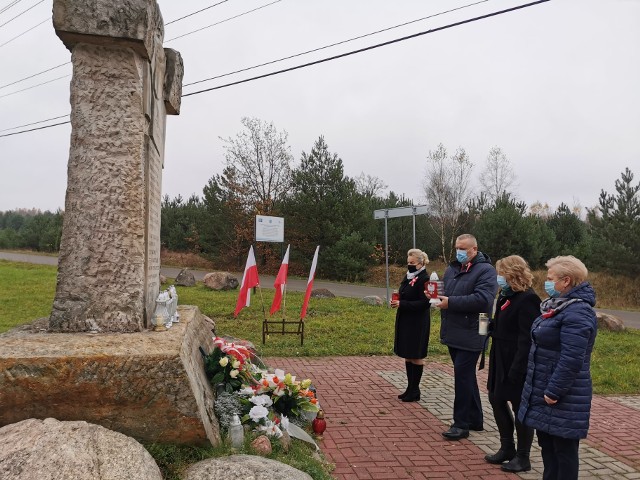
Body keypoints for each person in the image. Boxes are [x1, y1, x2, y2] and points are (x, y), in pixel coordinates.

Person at [518, 255, 597, 480]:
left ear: (567, 281)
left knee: (564, 452)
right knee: (549, 449)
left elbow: (572, 358)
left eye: (551, 278)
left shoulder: (578, 312)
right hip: (545, 388)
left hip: (562, 395)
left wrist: (554, 391)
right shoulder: (558, 306)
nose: (547, 282)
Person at [437, 233, 497, 440]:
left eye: (463, 248)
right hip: (453, 330)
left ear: (474, 249)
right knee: (466, 376)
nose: (459, 252)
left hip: (473, 331)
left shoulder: (486, 271)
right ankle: (476, 418)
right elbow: (445, 292)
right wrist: (435, 296)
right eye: (457, 248)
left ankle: (460, 424)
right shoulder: (453, 269)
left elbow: (483, 299)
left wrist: (450, 302)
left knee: (462, 377)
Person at [485, 255, 540, 472]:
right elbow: (506, 324)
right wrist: (493, 327)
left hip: (516, 360)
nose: (498, 277)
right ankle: (507, 446)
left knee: (520, 407)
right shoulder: (505, 295)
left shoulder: (528, 299)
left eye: (500, 273)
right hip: (500, 357)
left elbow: (527, 337)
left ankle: (523, 457)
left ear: (511, 274)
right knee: (496, 398)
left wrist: (518, 368)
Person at [391, 248, 431, 402]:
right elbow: (405, 293)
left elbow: (425, 303)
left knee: (416, 355)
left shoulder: (425, 279)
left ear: (421, 263)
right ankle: (409, 388)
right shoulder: (409, 276)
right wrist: (398, 300)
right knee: (408, 355)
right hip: (406, 319)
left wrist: (403, 303)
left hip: (418, 322)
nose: (409, 265)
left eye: (412, 263)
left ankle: (415, 390)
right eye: (408, 263)